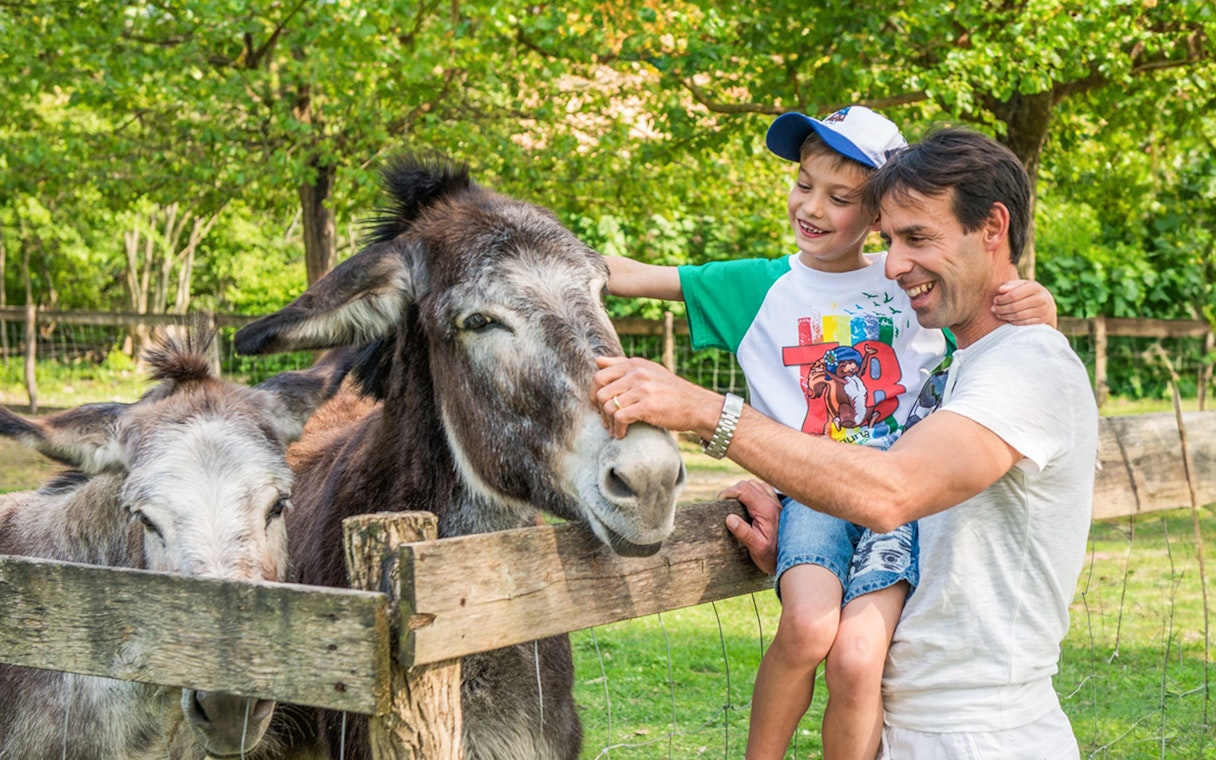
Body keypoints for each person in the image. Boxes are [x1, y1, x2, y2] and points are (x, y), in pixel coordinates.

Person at [594, 126, 1097, 759]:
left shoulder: (1025, 363)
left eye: (917, 237)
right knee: (820, 637)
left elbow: (890, 493)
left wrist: (704, 410)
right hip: (906, 728)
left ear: (992, 228)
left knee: (854, 656)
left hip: (978, 736)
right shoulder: (956, 367)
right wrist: (810, 536)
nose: (895, 264)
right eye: (892, 240)